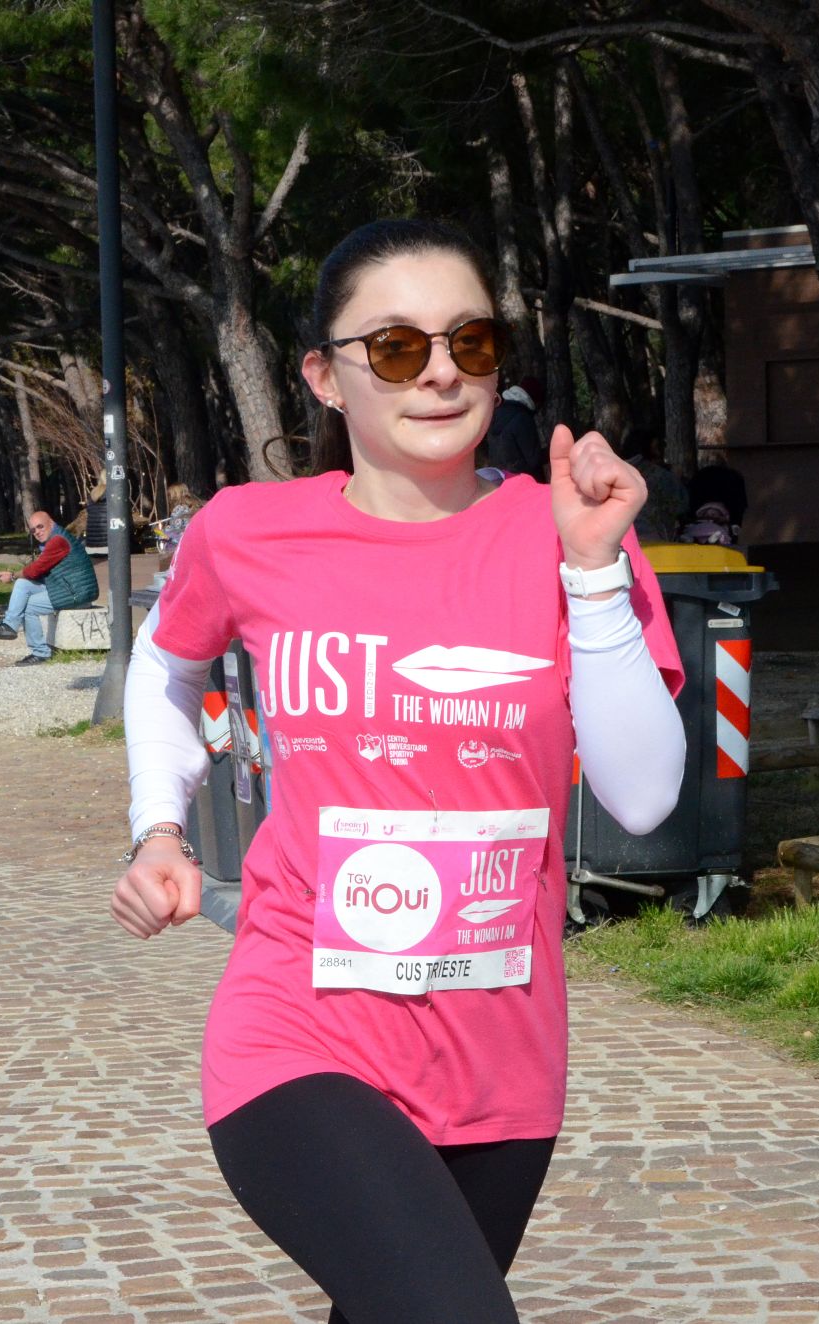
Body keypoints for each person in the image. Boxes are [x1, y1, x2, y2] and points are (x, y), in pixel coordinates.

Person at [111, 219, 686, 1324]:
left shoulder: (569, 532)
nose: (438, 371)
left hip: (500, 1055)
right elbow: (166, 665)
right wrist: (159, 829)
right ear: (325, 377)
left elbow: (646, 795)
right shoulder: (249, 531)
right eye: (395, 346)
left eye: (469, 342)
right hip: (299, 1030)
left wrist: (591, 571)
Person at [0, 509, 98, 665]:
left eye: (40, 526)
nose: (37, 532)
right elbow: (39, 572)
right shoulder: (55, 538)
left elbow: (36, 569)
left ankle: (40, 653)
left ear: (51, 523)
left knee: (30, 606)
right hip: (66, 588)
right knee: (22, 584)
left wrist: (12, 575)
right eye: (33, 530)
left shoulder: (58, 541)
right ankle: (9, 625)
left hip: (77, 594)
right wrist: (17, 577)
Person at [624, 429, 689, 545]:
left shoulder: (615, 473)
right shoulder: (663, 477)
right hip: (656, 544)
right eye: (663, 445)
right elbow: (683, 507)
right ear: (654, 448)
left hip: (619, 544)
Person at [482, 375, 545, 480]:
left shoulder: (496, 413)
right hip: (525, 481)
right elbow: (534, 459)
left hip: (501, 478)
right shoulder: (522, 418)